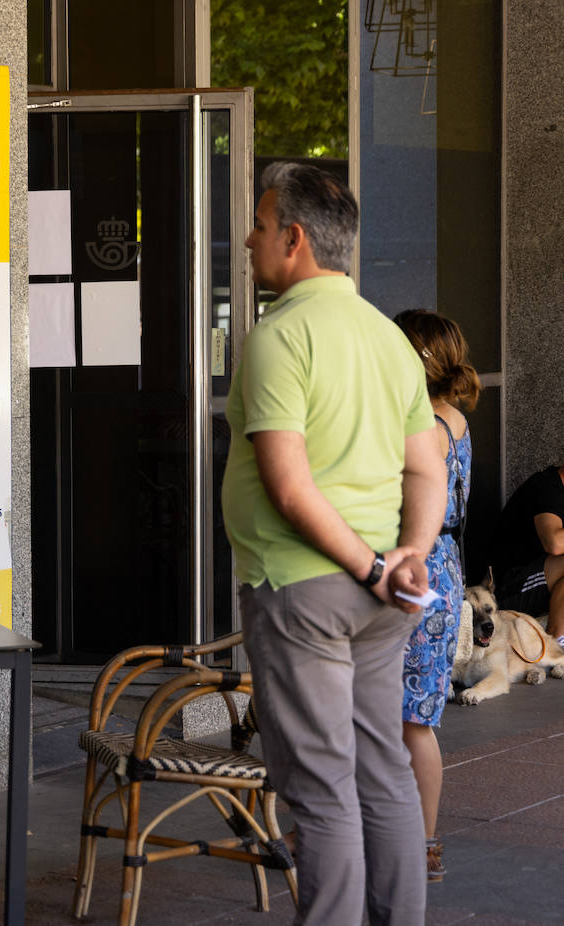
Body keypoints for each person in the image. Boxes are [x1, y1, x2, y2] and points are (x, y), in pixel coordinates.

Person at [221, 162, 447, 925]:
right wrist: (408, 556)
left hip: (306, 590)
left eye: (258, 225)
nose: (247, 239)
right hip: (384, 594)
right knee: (382, 772)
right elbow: (428, 468)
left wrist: (376, 564)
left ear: (293, 239)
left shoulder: (278, 337)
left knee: (319, 790)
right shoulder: (389, 340)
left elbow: (288, 487)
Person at [395, 309, 479, 883]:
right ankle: (421, 842)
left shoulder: (418, 420)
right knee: (414, 720)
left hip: (415, 570)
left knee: (404, 723)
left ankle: (419, 842)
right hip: (444, 568)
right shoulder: (456, 418)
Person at [489, 462, 564, 643]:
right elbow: (554, 543)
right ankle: (558, 644)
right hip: (509, 590)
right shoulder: (547, 486)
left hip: (543, 583)